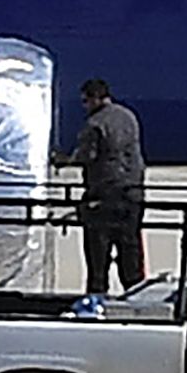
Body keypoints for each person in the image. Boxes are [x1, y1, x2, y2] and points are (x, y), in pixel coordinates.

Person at [61, 77, 147, 296]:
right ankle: (136, 297)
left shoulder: (95, 124)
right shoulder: (128, 116)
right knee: (131, 252)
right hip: (133, 195)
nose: (84, 107)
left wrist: (63, 160)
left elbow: (86, 156)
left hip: (103, 198)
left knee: (98, 258)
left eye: (85, 102)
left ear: (94, 99)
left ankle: (97, 300)